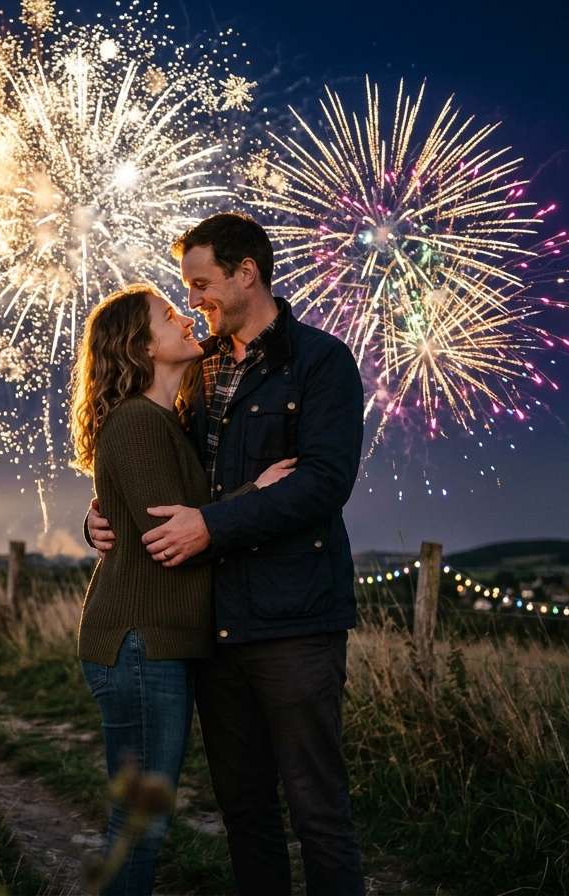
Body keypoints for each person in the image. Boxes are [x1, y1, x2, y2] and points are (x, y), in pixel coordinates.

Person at [85, 212, 367, 896]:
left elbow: (324, 483)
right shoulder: (198, 371)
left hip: (294, 621)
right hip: (214, 628)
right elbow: (158, 472)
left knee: (317, 808)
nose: (194, 299)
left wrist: (213, 525)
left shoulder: (321, 362)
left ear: (248, 273)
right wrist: (104, 510)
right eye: (187, 286)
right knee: (245, 812)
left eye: (203, 282)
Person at [70, 282, 294, 896]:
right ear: (141, 346)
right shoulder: (138, 423)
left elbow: (154, 511)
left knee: (143, 817)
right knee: (140, 821)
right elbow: (172, 534)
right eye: (168, 316)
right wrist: (260, 493)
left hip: (155, 645)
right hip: (141, 645)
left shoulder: (164, 420)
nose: (186, 316)